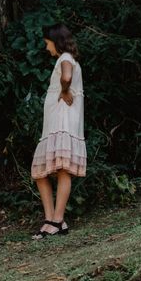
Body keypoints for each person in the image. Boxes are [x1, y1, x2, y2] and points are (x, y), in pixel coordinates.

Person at [31, 23, 86, 239]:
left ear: (56, 41)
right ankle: (53, 219)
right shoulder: (67, 59)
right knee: (40, 172)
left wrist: (64, 91)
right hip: (55, 124)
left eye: (47, 43)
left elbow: (66, 77)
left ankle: (55, 220)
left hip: (62, 123)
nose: (46, 48)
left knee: (62, 170)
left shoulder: (65, 58)